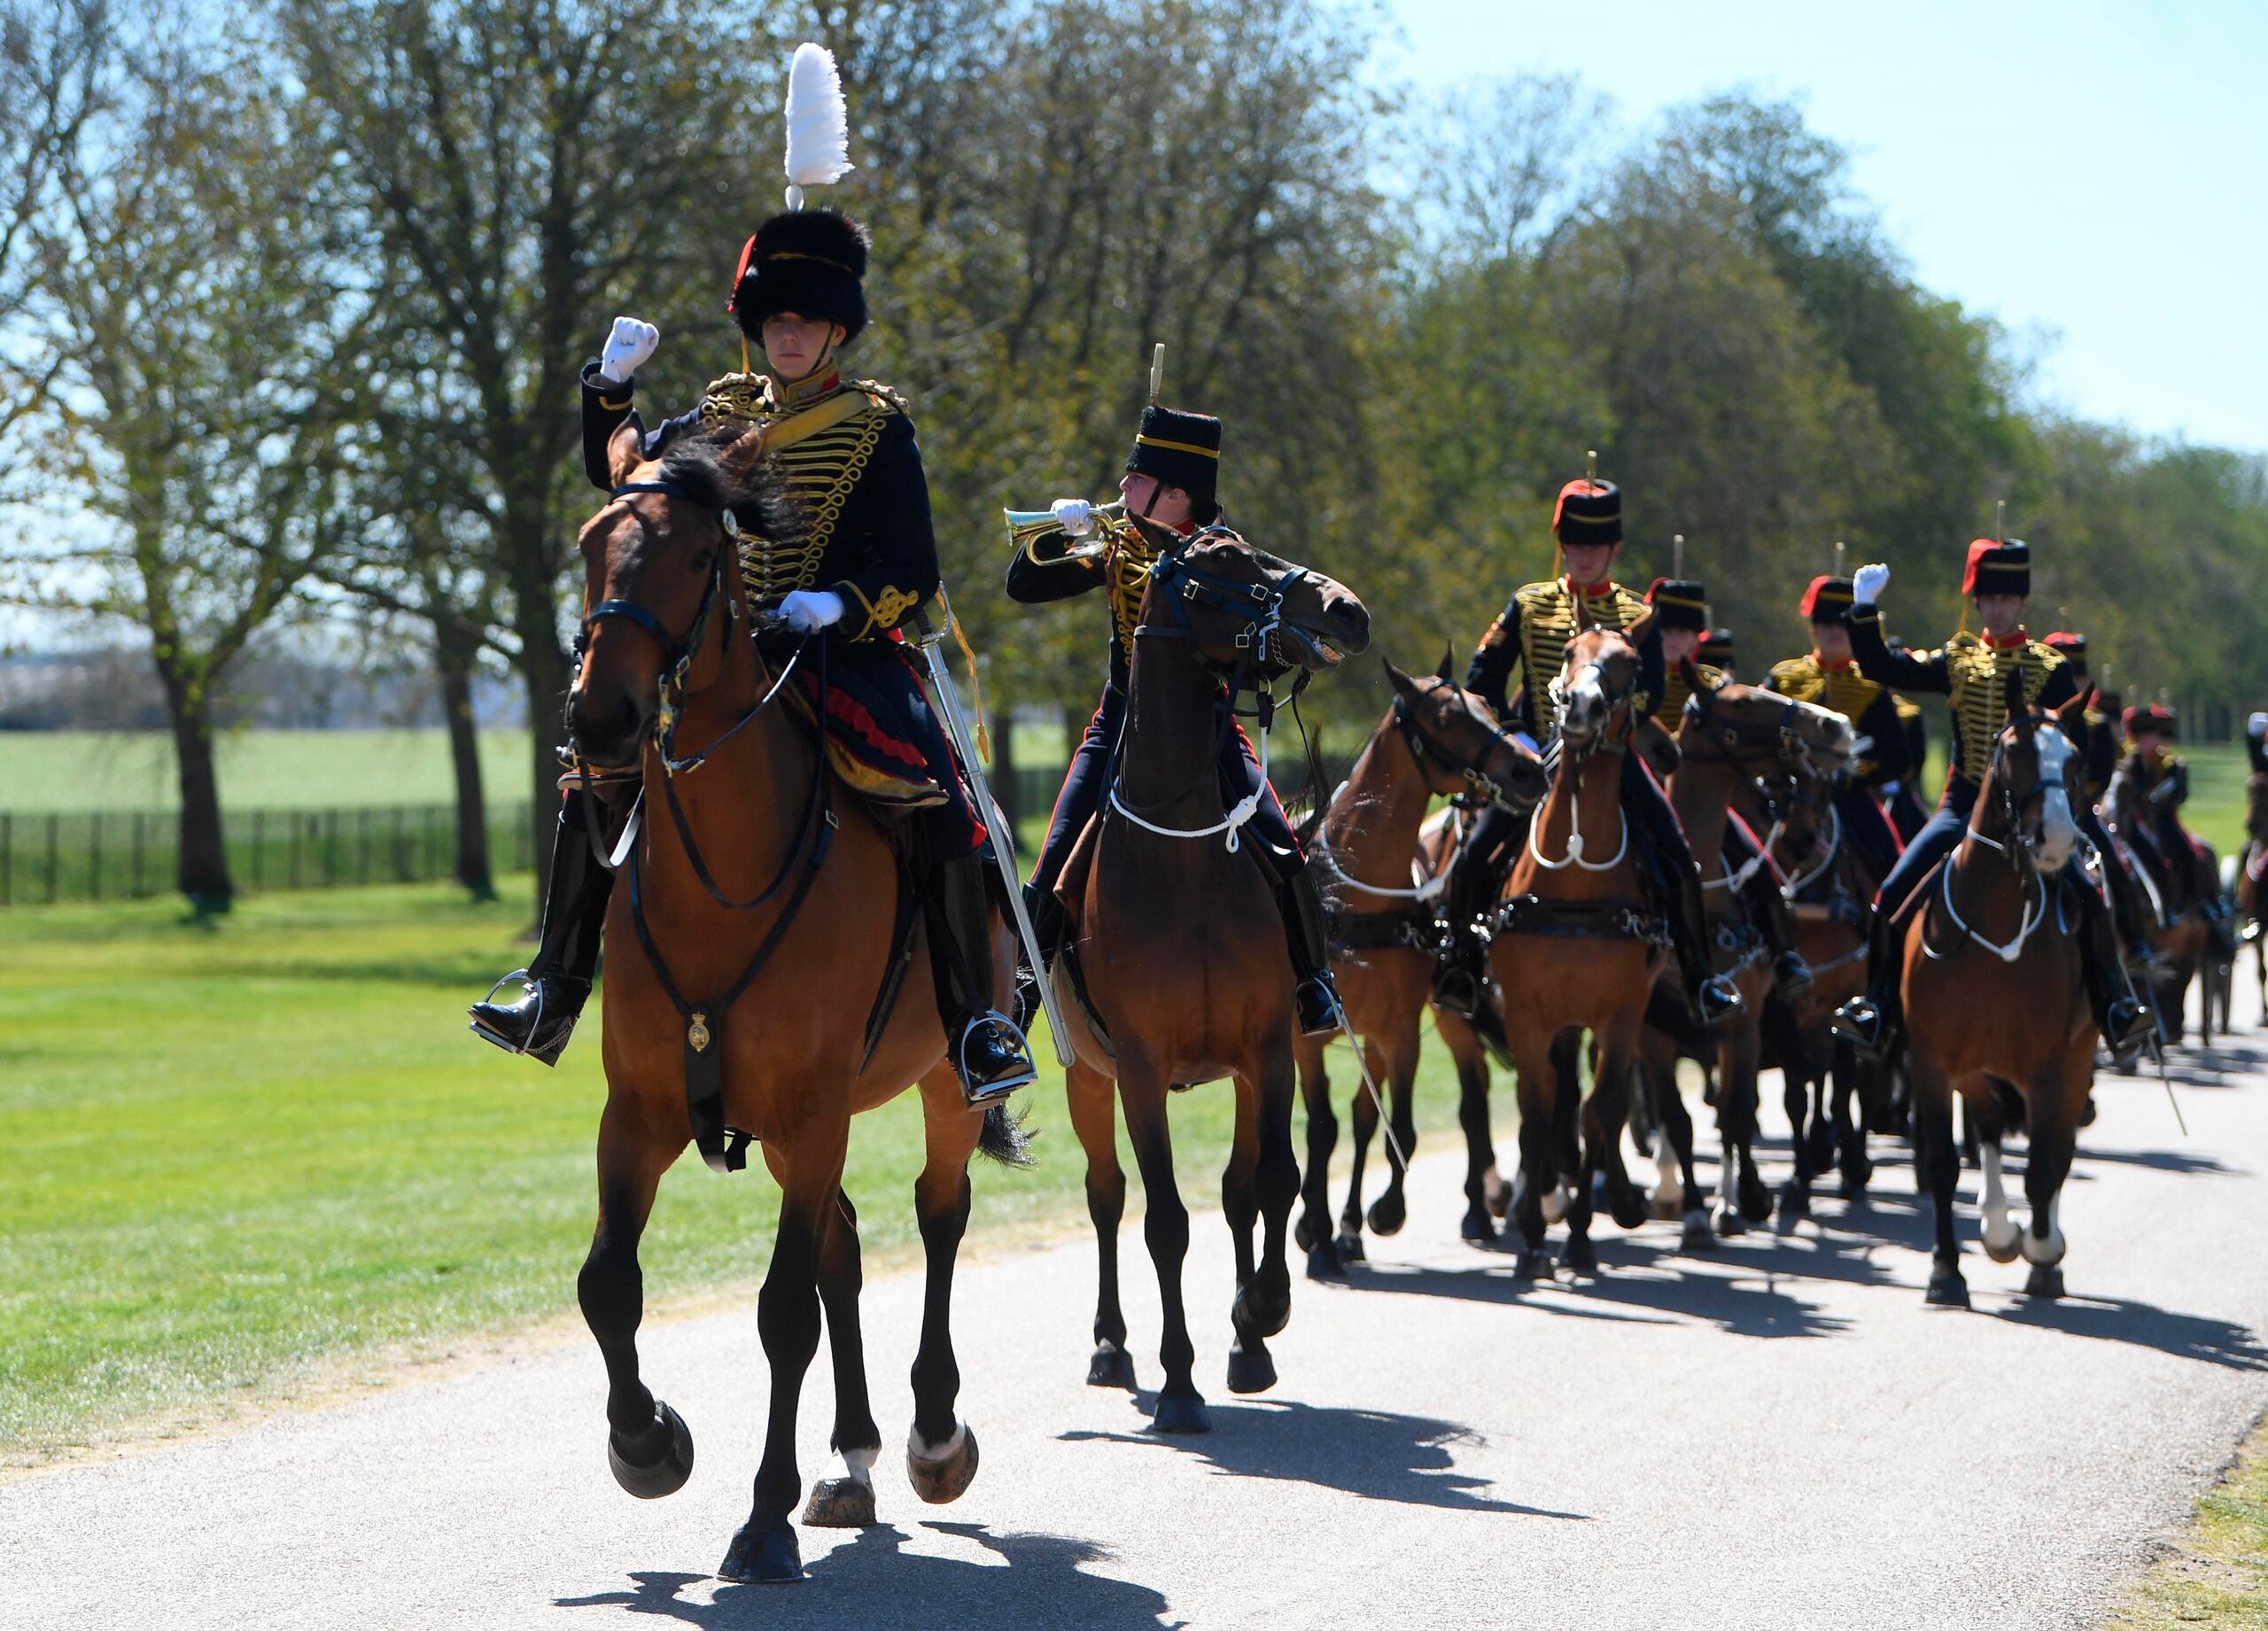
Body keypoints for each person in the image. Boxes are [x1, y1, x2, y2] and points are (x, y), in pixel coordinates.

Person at [470, 204, 1037, 1104]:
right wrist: (609, 390)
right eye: (774, 319)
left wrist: (840, 603)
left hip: (841, 652)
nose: (787, 334)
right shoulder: (721, 412)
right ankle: (555, 981)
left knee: (936, 790)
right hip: (723, 652)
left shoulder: (877, 427)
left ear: (836, 329)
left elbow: (914, 568)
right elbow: (630, 483)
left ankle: (976, 1022)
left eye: (804, 320)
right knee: (594, 770)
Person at [1006, 405, 1342, 1037]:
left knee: (1283, 846)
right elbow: (1022, 585)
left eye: (1137, 480)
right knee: (1053, 857)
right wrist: (1057, 533)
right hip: (1121, 723)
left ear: (1176, 493)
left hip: (1206, 725)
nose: (1123, 489)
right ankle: (1022, 999)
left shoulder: (1226, 552)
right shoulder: (1116, 540)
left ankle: (1313, 982)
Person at [1430, 473, 1742, 1025]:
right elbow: (1483, 681)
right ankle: (1462, 963)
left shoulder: (1635, 615)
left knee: (1678, 861)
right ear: (1562, 544)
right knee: (1476, 854)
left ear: (1614, 549)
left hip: (1614, 759)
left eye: (1597, 546)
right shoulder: (1528, 605)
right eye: (1576, 544)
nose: (1586, 555)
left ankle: (1699, 979)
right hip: (1535, 761)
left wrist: (1619, 722)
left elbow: (1653, 693)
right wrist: (1515, 738)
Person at [1829, 540, 2149, 1058]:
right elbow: (1885, 669)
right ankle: (1880, 1006)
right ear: (1977, 602)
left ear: (2022, 604)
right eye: (1988, 597)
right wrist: (1864, 611)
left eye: (2007, 598)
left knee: (2090, 894)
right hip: (1966, 806)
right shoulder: (1957, 659)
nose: (1997, 607)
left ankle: (2114, 1004)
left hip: (2034, 811)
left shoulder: (2050, 668)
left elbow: (2079, 751)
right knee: (1890, 893)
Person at [1647, 579, 1810, 998]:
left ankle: (1783, 952)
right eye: (1666, 631)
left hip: (1706, 799)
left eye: (1683, 632)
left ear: (1696, 636)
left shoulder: (1716, 684)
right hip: (1646, 793)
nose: (1673, 640)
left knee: (1756, 862)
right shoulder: (1639, 675)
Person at [1763, 575, 1909, 885]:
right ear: (1813, 627)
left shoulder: (1871, 687)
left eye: (1842, 625)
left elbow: (1896, 754)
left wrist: (1853, 773)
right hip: (1785, 794)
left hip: (1847, 795)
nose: (1833, 632)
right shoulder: (1784, 677)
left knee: (1890, 864)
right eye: (1826, 623)